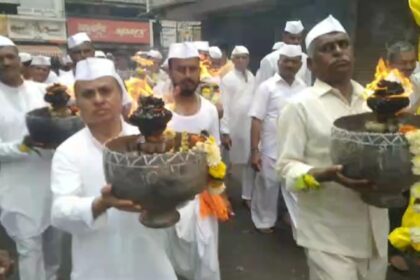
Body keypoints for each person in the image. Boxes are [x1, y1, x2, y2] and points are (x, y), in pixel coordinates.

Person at [276, 15, 389, 280]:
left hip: (375, 231)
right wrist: (324, 174)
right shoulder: (300, 106)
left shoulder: (373, 101)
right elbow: (285, 168)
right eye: (327, 48)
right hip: (328, 236)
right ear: (311, 64)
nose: (338, 51)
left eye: (343, 44)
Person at [50, 57, 178, 280]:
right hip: (97, 267)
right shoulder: (68, 151)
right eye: (88, 94)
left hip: (151, 262)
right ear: (77, 103)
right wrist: (100, 204)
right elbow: (60, 213)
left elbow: (174, 192)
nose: (98, 100)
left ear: (121, 96)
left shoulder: (150, 141)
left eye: (105, 91)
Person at [0, 35, 61, 280]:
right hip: (17, 190)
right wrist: (21, 147)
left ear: (19, 59)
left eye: (10, 57)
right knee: (29, 251)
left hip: (51, 182)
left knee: (53, 251)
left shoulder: (41, 92)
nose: (5, 63)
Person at [164, 42, 222, 280]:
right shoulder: (159, 109)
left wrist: (218, 192)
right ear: (170, 71)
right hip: (165, 198)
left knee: (205, 259)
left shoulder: (209, 110)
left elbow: (215, 154)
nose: (188, 75)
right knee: (166, 261)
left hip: (201, 198)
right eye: (181, 69)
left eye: (192, 69)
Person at [249, 44, 306, 233]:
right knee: (268, 186)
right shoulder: (267, 87)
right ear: (279, 62)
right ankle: (264, 221)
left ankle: (294, 221)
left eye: (294, 62)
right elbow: (257, 119)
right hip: (270, 148)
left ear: (300, 65)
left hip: (296, 149)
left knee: (296, 188)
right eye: (286, 61)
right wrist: (255, 151)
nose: (289, 65)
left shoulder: (304, 88)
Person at [385, 40, 417, 272]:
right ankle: (390, 250)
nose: (408, 66)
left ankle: (407, 243)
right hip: (390, 149)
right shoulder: (384, 84)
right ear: (390, 63)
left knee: (411, 200)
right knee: (394, 200)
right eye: (402, 63)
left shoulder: (416, 82)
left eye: (412, 61)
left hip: (414, 147)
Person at [220, 46, 256, 209]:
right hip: (233, 126)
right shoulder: (228, 79)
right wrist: (225, 131)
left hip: (249, 126)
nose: (242, 61)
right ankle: (222, 195)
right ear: (233, 60)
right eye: (238, 57)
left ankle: (247, 195)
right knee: (227, 162)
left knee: (250, 161)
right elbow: (225, 105)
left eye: (245, 57)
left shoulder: (251, 76)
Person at [255, 20, 312, 87]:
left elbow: (308, 84)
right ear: (284, 37)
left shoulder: (305, 58)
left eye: (299, 38)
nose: (296, 42)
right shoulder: (269, 59)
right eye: (292, 38)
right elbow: (262, 87)